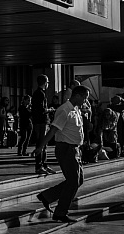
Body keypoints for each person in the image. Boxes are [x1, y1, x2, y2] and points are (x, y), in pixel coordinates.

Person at [35, 85, 89, 224]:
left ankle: (47, 196)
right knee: (73, 181)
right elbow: (53, 130)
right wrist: (41, 147)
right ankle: (60, 212)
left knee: (78, 180)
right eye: (84, 98)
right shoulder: (64, 110)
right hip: (66, 149)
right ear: (77, 95)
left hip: (74, 149)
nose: (85, 101)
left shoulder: (75, 109)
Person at [30, 75, 54, 175]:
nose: (48, 84)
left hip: (38, 121)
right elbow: (42, 109)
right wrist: (50, 110)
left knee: (42, 143)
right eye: (47, 82)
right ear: (45, 83)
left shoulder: (36, 93)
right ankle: (40, 165)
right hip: (41, 121)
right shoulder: (41, 94)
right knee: (41, 143)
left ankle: (43, 164)